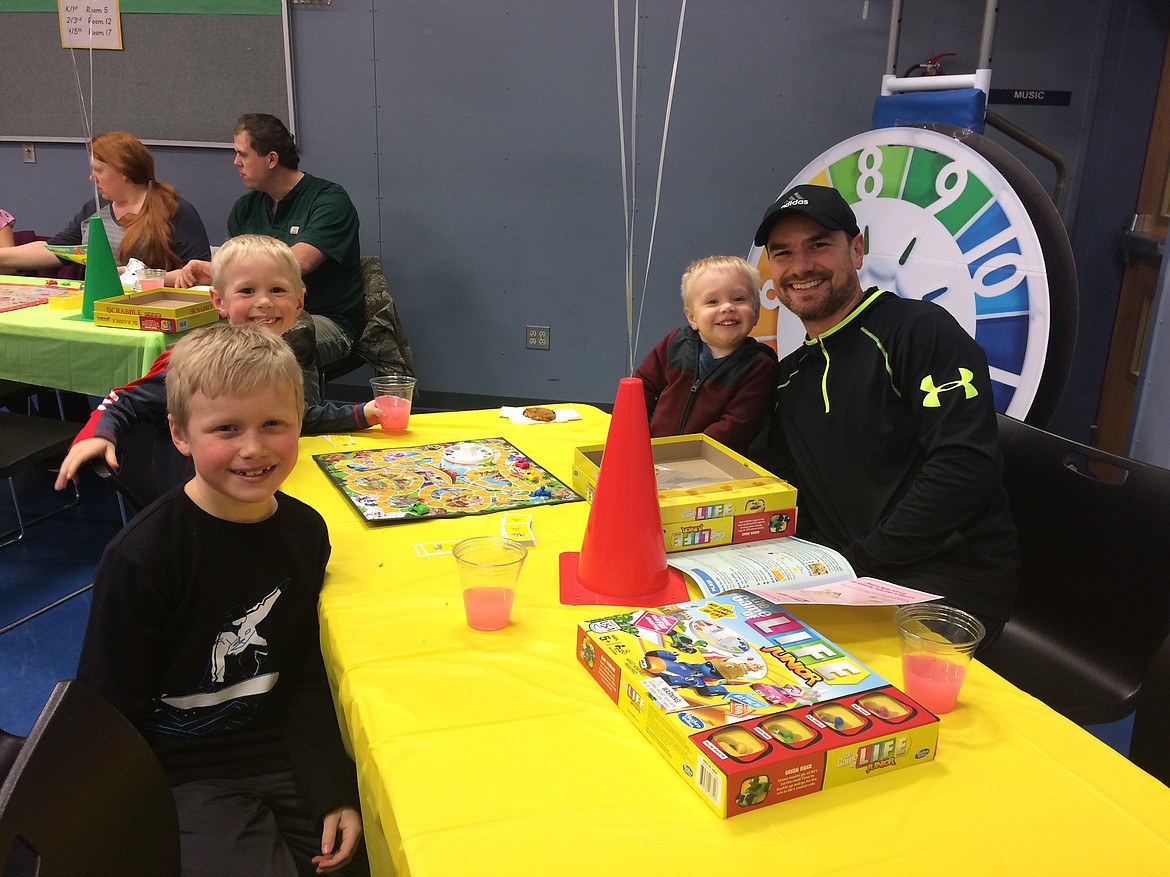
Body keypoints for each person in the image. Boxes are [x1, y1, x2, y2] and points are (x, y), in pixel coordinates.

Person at [76, 322, 366, 876]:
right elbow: (107, 712)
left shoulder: (306, 533)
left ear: (299, 422)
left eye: (273, 424)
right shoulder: (141, 558)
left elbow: (304, 672)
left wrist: (332, 788)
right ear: (180, 434)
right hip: (185, 773)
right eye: (226, 429)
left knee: (369, 850)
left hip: (279, 751)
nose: (253, 448)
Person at [754, 184, 1018, 644]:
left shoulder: (920, 331)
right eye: (783, 253)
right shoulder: (789, 377)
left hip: (946, 589)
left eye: (819, 245)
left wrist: (857, 565)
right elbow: (782, 486)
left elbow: (965, 467)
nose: (800, 267)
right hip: (846, 579)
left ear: (857, 250)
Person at [54, 235, 382, 492]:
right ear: (219, 301)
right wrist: (97, 435)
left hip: (254, 486)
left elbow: (291, 416)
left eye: (277, 290)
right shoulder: (201, 360)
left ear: (299, 302)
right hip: (197, 502)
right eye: (247, 291)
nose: (264, 302)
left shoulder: (282, 354)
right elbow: (124, 398)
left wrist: (358, 414)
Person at [172, 114, 364, 370]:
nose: (235, 162)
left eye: (243, 155)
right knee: (194, 343)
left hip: (325, 319)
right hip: (258, 314)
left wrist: (221, 268)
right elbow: (235, 274)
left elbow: (300, 263)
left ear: (271, 159)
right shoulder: (245, 208)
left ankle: (295, 411)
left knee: (283, 341)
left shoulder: (329, 200)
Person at [0, 132, 210, 273]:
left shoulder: (176, 211)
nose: (92, 177)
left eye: (98, 170)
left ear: (123, 171)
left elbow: (199, 273)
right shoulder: (94, 208)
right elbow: (56, 250)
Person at [633, 255, 778, 455]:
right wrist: (634, 435)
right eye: (712, 301)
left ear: (756, 313)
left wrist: (686, 455)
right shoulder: (675, 343)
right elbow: (642, 386)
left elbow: (736, 426)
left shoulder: (759, 366)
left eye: (738, 299)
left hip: (712, 468)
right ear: (692, 318)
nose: (727, 307)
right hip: (654, 455)